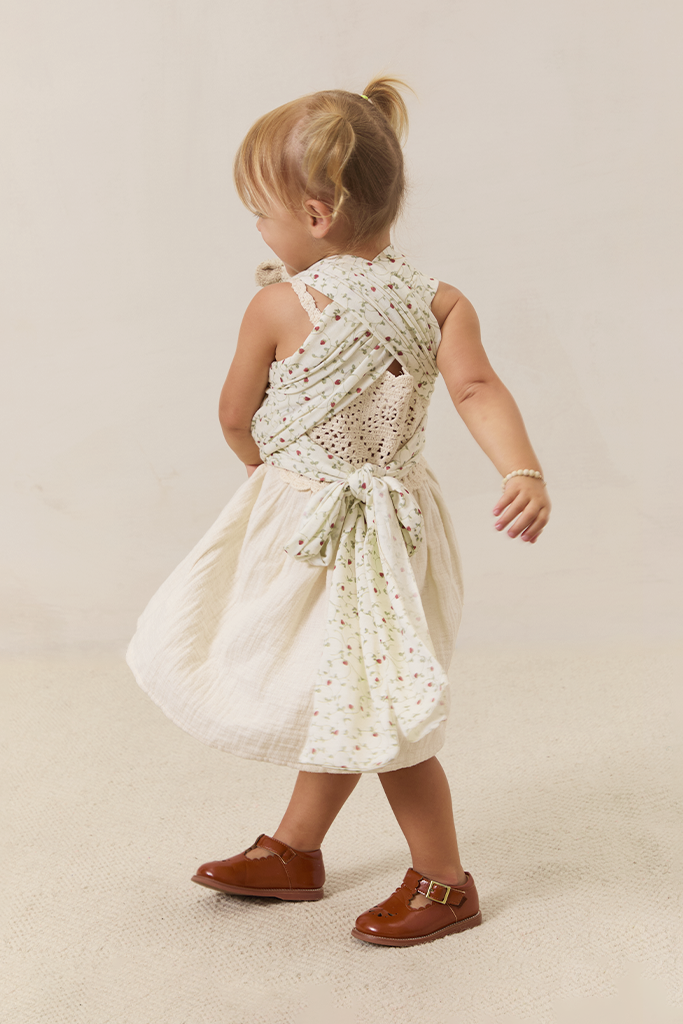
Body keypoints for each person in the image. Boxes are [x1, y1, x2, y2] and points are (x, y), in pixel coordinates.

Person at [126, 76, 551, 947]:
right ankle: (295, 848)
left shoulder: (278, 305)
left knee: (380, 701)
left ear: (317, 216)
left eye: (262, 215)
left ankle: (443, 880)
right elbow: (476, 387)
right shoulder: (439, 300)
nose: (259, 233)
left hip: (321, 528)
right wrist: (523, 468)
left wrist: (273, 475)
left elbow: (234, 415)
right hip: (400, 524)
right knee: (343, 685)